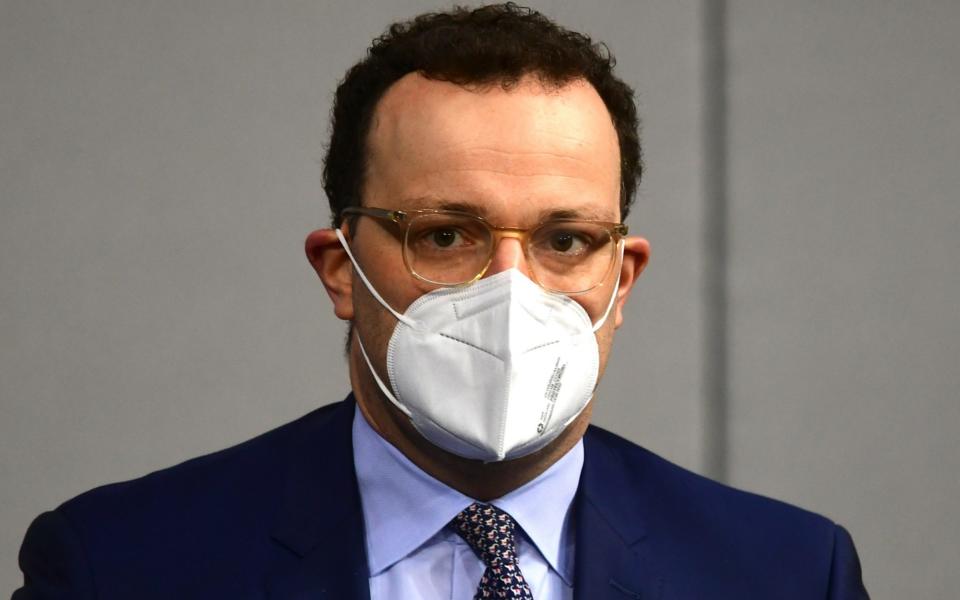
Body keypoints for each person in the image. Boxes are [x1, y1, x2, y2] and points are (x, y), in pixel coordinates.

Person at [13, 4, 868, 599]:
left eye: (565, 240)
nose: (510, 288)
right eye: (446, 236)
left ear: (623, 278)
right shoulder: (122, 567)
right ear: (340, 267)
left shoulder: (786, 574)